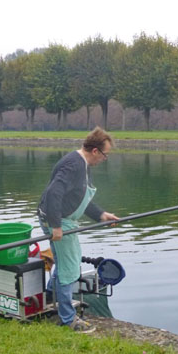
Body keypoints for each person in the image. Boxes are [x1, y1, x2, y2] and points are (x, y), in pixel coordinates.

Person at [37, 127, 119, 333]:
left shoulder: (82, 164)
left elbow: (79, 198)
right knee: (69, 268)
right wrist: (55, 225)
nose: (104, 159)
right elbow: (53, 193)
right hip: (60, 222)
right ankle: (68, 319)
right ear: (95, 151)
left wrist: (101, 215)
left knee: (64, 263)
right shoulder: (74, 165)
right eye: (105, 155)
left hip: (63, 220)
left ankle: (50, 298)